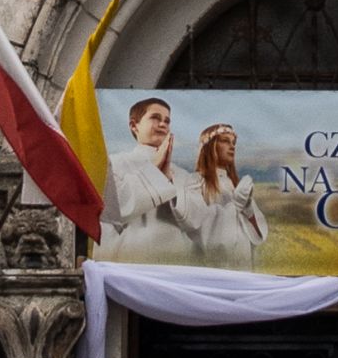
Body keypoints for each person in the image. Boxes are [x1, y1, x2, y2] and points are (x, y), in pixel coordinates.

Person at [103, 95, 199, 260]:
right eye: (155, 118)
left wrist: (170, 181)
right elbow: (114, 210)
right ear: (134, 125)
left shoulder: (182, 174)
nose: (163, 124)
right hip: (130, 261)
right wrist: (154, 172)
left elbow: (196, 222)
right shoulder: (115, 163)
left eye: (167, 121)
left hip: (177, 262)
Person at [189, 122, 268, 270]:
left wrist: (248, 208)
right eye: (225, 141)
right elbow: (199, 226)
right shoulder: (196, 183)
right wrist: (235, 206)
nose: (232, 146)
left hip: (242, 263)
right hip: (214, 268)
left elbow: (257, 235)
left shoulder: (235, 185)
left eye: (233, 142)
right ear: (210, 146)